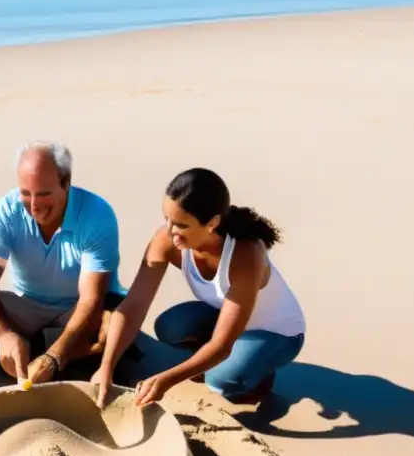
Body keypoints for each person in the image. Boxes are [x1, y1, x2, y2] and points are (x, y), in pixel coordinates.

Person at [91, 168, 306, 408]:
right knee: (170, 327)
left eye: (181, 225)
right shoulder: (168, 239)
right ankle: (222, 359)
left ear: (212, 223)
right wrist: (106, 367)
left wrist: (166, 380)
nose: (170, 231)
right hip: (228, 314)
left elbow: (222, 346)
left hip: (278, 333)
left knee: (221, 380)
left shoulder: (246, 254)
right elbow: (133, 306)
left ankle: (256, 375)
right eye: (167, 219)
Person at [0, 141, 125, 386]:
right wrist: (5, 335)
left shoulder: (97, 214)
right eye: (25, 193)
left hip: (79, 308)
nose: (34, 206)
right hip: (28, 306)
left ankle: (51, 356)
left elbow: (90, 299)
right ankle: (43, 357)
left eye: (43, 194)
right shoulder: (3, 212)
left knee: (112, 328)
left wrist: (55, 356)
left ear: (66, 183)